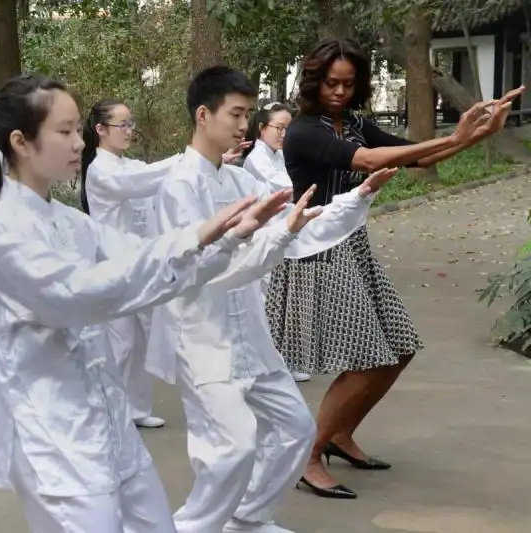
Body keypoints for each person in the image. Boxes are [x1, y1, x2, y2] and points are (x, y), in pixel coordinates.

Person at [0, 73, 318, 533]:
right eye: (65, 131)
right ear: (21, 142)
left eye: (77, 131)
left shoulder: (69, 222)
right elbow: (80, 293)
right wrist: (197, 237)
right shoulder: (2, 230)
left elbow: (142, 258)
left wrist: (226, 241)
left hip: (105, 419)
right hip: (51, 432)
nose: (78, 143)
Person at [265, 37, 524, 499]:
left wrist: (479, 133)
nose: (340, 91)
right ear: (314, 81)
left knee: (399, 348)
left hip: (353, 245)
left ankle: (340, 436)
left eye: (348, 83)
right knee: (368, 361)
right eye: (330, 83)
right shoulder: (305, 130)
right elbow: (365, 162)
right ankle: (307, 455)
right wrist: (457, 135)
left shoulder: (358, 123)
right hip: (316, 254)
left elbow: (417, 156)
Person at [148, 65, 399, 533]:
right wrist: (280, 232)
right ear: (203, 115)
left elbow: (294, 221)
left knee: (294, 430)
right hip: (203, 337)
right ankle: (192, 528)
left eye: (247, 115)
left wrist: (355, 197)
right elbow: (206, 271)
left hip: (249, 329)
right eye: (236, 114)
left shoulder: (238, 180)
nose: (244, 126)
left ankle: (246, 519)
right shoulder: (180, 187)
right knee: (229, 449)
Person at [80, 98, 181, 428]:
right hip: (114, 266)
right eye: (122, 125)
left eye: (130, 124)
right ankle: (111, 410)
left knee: (137, 343)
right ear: (100, 129)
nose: (129, 131)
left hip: (138, 264)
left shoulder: (129, 165)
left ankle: (135, 409)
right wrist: (189, 158)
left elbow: (155, 177)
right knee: (121, 344)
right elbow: (138, 184)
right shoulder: (99, 170)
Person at [241, 102, 310, 384]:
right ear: (262, 128)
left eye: (288, 129)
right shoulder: (256, 160)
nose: (284, 134)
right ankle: (268, 364)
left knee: (282, 302)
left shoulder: (278, 156)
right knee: (267, 303)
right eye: (280, 128)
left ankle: (283, 360)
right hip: (265, 239)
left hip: (284, 238)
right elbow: (288, 187)